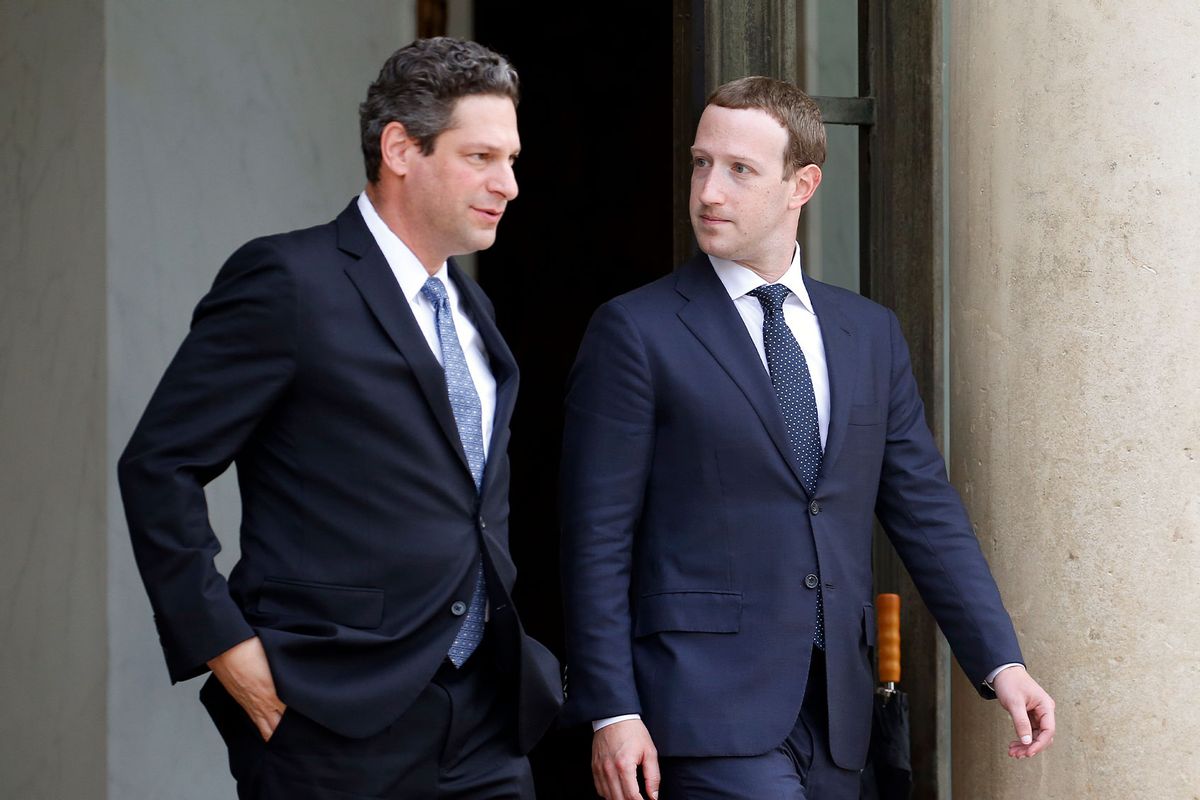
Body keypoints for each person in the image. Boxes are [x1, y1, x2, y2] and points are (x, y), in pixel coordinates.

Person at [559, 76, 1055, 799]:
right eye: (701, 163)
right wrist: (612, 707)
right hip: (704, 710)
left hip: (841, 715)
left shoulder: (869, 334)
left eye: (739, 170)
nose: (708, 192)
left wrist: (1001, 662)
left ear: (803, 183)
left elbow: (926, 512)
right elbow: (594, 538)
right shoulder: (636, 332)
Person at [118, 37, 561, 800]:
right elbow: (160, 465)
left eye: (512, 159)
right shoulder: (289, 281)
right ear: (400, 148)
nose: (509, 184)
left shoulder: (472, 306)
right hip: (331, 716)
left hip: (483, 716)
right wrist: (223, 642)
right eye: (482, 157)